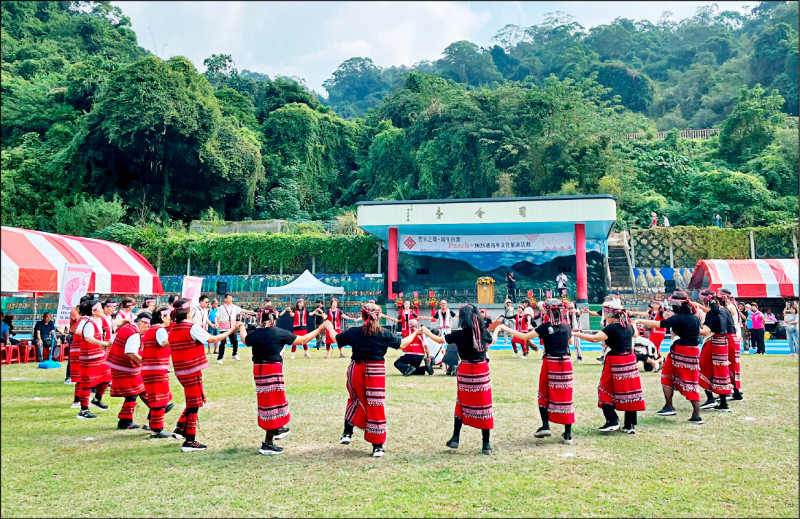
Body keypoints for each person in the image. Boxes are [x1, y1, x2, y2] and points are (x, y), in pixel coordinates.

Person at [326, 304, 421, 458]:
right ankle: (377, 446)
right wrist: (415, 332)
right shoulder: (384, 333)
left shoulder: (355, 332)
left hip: (357, 369)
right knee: (376, 404)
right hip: (376, 371)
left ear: (363, 316)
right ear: (379, 315)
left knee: (355, 399)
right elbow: (402, 344)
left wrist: (328, 325)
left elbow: (336, 338)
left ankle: (347, 433)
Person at [238, 318, 327, 455]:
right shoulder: (277, 332)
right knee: (274, 403)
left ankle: (278, 428)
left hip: (259, 371)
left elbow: (244, 339)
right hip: (272, 370)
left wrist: (241, 326)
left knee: (268, 402)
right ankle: (268, 443)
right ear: (272, 318)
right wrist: (319, 329)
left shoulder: (256, 333)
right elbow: (302, 340)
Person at [493, 299, 575, 445]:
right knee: (566, 396)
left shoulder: (544, 327)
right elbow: (568, 341)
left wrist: (504, 328)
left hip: (550, 362)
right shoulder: (566, 327)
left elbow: (524, 337)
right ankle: (567, 434)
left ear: (548, 311)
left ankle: (545, 425)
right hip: (565, 364)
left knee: (544, 393)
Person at [169, 299, 240, 452]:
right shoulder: (191, 327)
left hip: (181, 370)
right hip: (191, 369)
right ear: (188, 312)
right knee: (195, 403)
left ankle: (180, 428)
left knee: (193, 400)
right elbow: (213, 339)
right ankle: (190, 441)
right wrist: (231, 330)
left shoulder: (174, 328)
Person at [426, 304, 494, 455]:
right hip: (481, 370)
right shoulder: (482, 332)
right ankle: (486, 444)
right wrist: (500, 330)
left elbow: (439, 340)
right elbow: (491, 340)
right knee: (485, 405)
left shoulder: (459, 334)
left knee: (462, 403)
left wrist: (425, 331)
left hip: (465, 371)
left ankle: (456, 437)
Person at [573, 302, 646, 434]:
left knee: (605, 389)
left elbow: (594, 339)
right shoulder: (627, 326)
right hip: (629, 361)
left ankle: (612, 420)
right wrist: (634, 323)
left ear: (609, 314)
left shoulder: (612, 328)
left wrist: (576, 334)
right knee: (629, 391)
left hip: (615, 361)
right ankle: (629, 425)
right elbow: (635, 334)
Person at [635, 291, 703, 424]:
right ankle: (692, 413)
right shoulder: (694, 317)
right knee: (687, 380)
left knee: (669, 376)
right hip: (693, 352)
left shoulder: (679, 318)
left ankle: (674, 407)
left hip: (681, 351)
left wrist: (639, 321)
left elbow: (659, 324)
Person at [107, 312, 153, 430]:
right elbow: (130, 352)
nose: (148, 329)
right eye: (147, 326)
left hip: (118, 365)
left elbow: (111, 340)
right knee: (135, 391)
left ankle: (126, 419)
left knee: (134, 392)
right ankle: (156, 407)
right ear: (141, 322)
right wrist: (143, 362)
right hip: (125, 367)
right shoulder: (134, 334)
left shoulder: (126, 327)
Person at [141, 307, 176, 439]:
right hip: (155, 370)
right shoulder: (159, 330)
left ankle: (154, 425)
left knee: (161, 398)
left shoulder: (152, 330)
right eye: (168, 317)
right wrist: (178, 339)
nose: (169, 319)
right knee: (159, 400)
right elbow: (164, 343)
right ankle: (156, 430)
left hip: (151, 369)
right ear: (162, 317)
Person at [696, 290, 733, 412]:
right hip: (723, 343)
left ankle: (710, 397)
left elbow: (706, 331)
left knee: (704, 368)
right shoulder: (725, 311)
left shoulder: (712, 314)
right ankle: (723, 402)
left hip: (713, 342)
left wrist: (689, 327)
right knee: (721, 371)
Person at [76, 300, 113, 419]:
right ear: (93, 311)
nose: (102, 310)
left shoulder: (99, 320)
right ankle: (83, 410)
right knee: (87, 383)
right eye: (100, 308)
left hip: (100, 355)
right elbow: (88, 337)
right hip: (90, 356)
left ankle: (97, 399)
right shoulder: (88, 322)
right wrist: (101, 343)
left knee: (107, 377)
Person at [718, 288, 744, 400]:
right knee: (731, 364)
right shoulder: (731, 306)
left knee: (730, 364)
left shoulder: (729, 307)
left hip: (731, 337)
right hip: (733, 337)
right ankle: (734, 390)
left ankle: (732, 390)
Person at [216, 293, 256, 363]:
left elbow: (242, 310)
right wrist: (216, 323)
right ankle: (220, 358)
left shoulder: (234, 307)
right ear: (225, 299)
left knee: (235, 341)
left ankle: (234, 354)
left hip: (232, 327)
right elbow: (216, 316)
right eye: (228, 298)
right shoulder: (221, 308)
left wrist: (252, 312)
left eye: (231, 298)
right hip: (223, 327)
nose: (230, 299)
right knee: (222, 343)